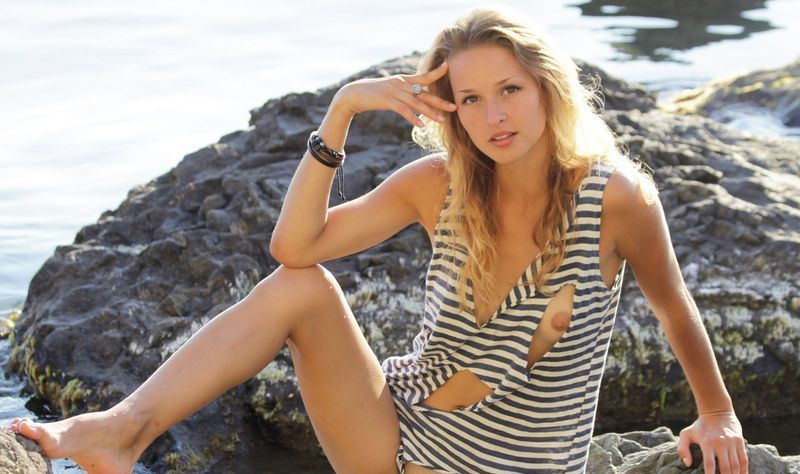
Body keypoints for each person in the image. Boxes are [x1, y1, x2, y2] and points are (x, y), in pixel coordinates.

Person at [5, 4, 749, 474]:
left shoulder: (616, 197)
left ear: (547, 88)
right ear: (449, 109)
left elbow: (673, 306)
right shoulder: (438, 184)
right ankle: (121, 432)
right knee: (301, 289)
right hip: (397, 439)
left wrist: (717, 414)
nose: (494, 116)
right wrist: (340, 115)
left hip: (520, 463)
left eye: (510, 89)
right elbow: (293, 250)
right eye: (471, 98)